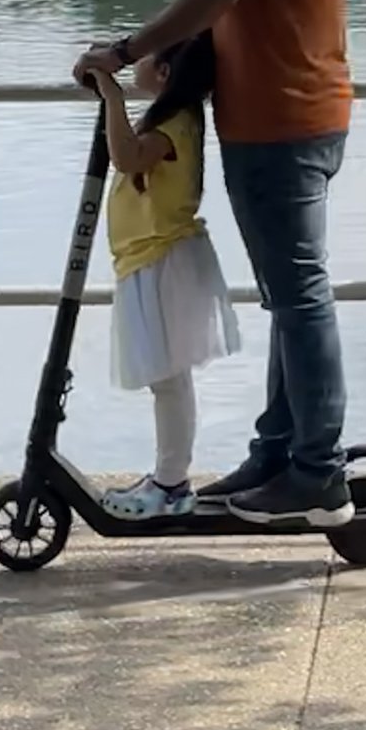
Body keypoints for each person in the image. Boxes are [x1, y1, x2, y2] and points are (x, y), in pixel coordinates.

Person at [73, 0, 354, 527]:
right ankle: (278, 449)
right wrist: (172, 49)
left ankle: (318, 469)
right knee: (290, 292)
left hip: (279, 114)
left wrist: (126, 51)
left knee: (299, 296)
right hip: (307, 107)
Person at [83, 33, 239, 521]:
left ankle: (171, 484)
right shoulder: (177, 116)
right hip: (152, 257)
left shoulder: (174, 121)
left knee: (169, 380)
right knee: (169, 381)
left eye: (145, 57)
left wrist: (112, 96)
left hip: (162, 259)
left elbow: (127, 157)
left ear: (165, 73)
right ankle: (169, 477)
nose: (138, 63)